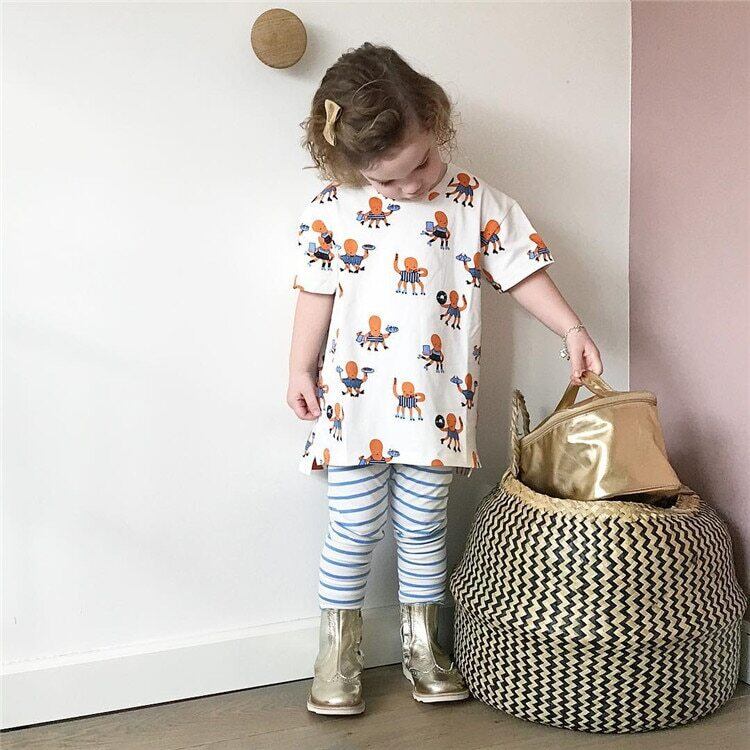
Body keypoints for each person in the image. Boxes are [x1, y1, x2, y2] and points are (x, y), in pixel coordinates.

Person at [286, 42, 603, 715]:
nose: (411, 187)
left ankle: (424, 646)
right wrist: (298, 368)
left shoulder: (472, 201)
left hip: (438, 404)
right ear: (351, 166)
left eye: (422, 165)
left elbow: (521, 269)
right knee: (353, 526)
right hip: (353, 406)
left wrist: (571, 328)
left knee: (425, 528)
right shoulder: (332, 208)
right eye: (390, 181)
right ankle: (336, 652)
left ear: (436, 125)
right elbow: (315, 291)